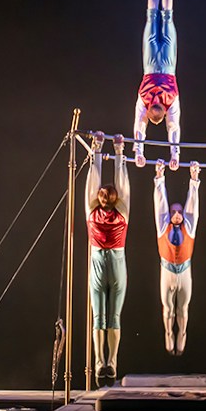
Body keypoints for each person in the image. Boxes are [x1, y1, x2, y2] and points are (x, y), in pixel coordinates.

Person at [86, 133, 130, 382]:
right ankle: (106, 362)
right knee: (109, 317)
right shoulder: (121, 210)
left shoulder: (91, 209)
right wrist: (118, 151)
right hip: (114, 262)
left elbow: (93, 183)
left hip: (103, 262)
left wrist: (98, 151)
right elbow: (122, 184)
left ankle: (105, 362)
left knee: (101, 317)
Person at [133, 0, 181, 171]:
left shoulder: (143, 105)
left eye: (152, 114)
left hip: (151, 66)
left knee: (152, 18)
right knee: (167, 18)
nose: (155, 112)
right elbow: (174, 129)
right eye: (158, 115)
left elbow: (139, 128)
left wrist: (139, 151)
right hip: (169, 67)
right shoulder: (171, 107)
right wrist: (174, 154)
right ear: (161, 116)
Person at [154, 160, 201, 355]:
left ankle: (182, 333)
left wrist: (194, 179)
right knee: (168, 309)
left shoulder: (189, 226)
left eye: (179, 212)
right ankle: (168, 333)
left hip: (184, 272)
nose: (176, 215)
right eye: (172, 212)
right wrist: (159, 178)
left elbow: (193, 206)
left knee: (182, 309)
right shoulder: (162, 225)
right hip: (166, 271)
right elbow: (160, 204)